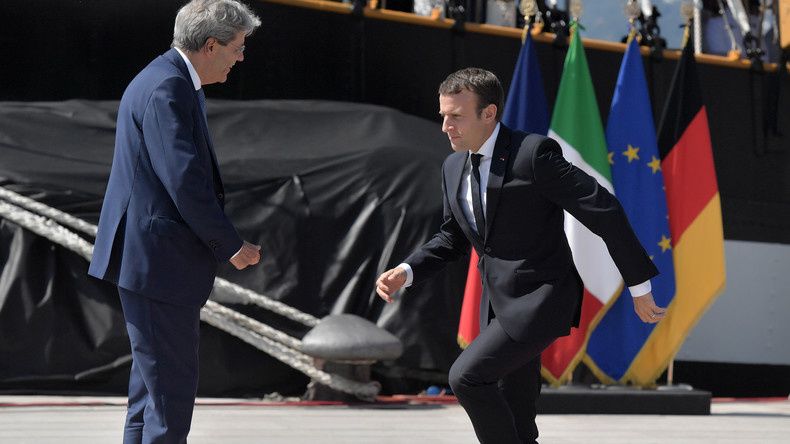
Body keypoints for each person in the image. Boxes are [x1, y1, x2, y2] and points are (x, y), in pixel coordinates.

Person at [375, 68, 665, 444]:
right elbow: (453, 236)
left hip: (542, 298)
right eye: (443, 115)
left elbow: (603, 209)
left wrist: (638, 286)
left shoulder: (533, 154)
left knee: (466, 377)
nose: (446, 125)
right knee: (517, 413)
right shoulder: (452, 166)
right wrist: (407, 269)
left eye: (457, 116)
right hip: (499, 305)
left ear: (489, 113)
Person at [88, 1, 261, 442]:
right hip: (160, 264)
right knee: (168, 398)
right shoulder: (168, 88)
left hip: (150, 261)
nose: (241, 58)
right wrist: (231, 244)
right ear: (210, 45)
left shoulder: (164, 78)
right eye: (238, 48)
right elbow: (184, 180)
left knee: (150, 396)